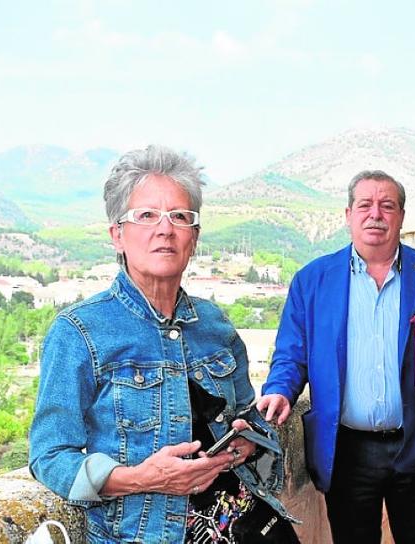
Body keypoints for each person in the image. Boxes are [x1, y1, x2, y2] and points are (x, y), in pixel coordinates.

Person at [29, 145, 298, 544]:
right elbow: (49, 457)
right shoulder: (79, 332)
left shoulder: (214, 324)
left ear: (194, 237)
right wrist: (143, 478)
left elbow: (251, 418)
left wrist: (244, 444)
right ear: (117, 235)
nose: (165, 229)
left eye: (180, 217)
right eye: (146, 216)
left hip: (250, 529)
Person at [256, 170, 415, 544]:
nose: (375, 214)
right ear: (348, 215)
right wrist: (280, 390)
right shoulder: (312, 280)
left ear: (401, 216)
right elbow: (291, 355)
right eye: (365, 205)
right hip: (345, 452)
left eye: (387, 205)